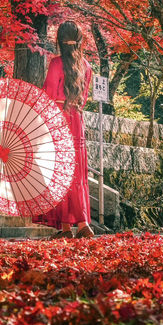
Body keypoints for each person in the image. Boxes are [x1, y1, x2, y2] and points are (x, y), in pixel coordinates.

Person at [35, 20, 94, 239]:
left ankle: (65, 227)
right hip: (76, 120)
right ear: (79, 40)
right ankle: (82, 223)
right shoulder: (86, 66)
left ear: (59, 40)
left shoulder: (56, 64)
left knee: (59, 173)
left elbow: (48, 94)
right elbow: (84, 99)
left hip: (57, 120)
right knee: (77, 173)